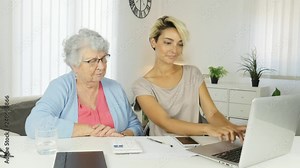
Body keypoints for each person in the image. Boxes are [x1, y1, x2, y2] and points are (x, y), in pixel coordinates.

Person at [132, 16, 246, 142]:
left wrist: (231, 127)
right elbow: (166, 122)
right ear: (153, 42)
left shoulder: (192, 73)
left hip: (197, 145)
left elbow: (212, 113)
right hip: (163, 148)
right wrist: (207, 129)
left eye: (180, 44)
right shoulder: (142, 85)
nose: (174, 50)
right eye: (168, 42)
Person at [25, 28, 143, 138]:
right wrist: (90, 130)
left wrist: (122, 136)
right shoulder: (61, 86)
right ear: (74, 65)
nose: (101, 66)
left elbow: (135, 125)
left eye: (103, 59)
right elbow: (34, 123)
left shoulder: (115, 88)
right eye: (92, 61)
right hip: (74, 156)